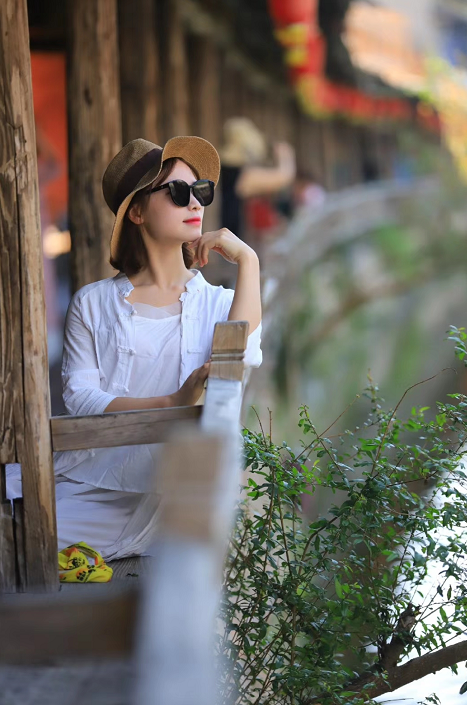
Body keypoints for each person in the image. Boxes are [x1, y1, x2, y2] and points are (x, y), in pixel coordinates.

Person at [7, 136, 262, 560]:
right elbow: (81, 398)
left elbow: (245, 354)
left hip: (178, 491)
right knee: (15, 525)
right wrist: (172, 401)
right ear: (137, 212)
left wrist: (248, 260)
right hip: (96, 480)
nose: (195, 203)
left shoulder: (219, 303)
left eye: (200, 191)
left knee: (23, 539)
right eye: (178, 192)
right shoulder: (92, 302)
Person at [219, 117, 296, 244]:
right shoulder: (240, 174)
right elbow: (284, 176)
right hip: (231, 243)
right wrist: (285, 155)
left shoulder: (226, 169)